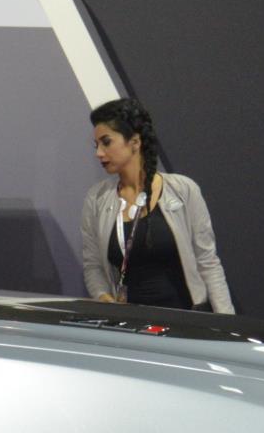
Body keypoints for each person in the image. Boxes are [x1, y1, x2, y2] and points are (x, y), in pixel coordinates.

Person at [79, 99, 233, 311]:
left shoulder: (183, 190)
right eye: (97, 145)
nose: (99, 153)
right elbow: (93, 265)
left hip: (186, 321)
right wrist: (104, 297)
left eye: (106, 142)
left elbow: (207, 262)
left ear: (134, 142)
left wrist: (226, 325)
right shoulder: (96, 199)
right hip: (130, 326)